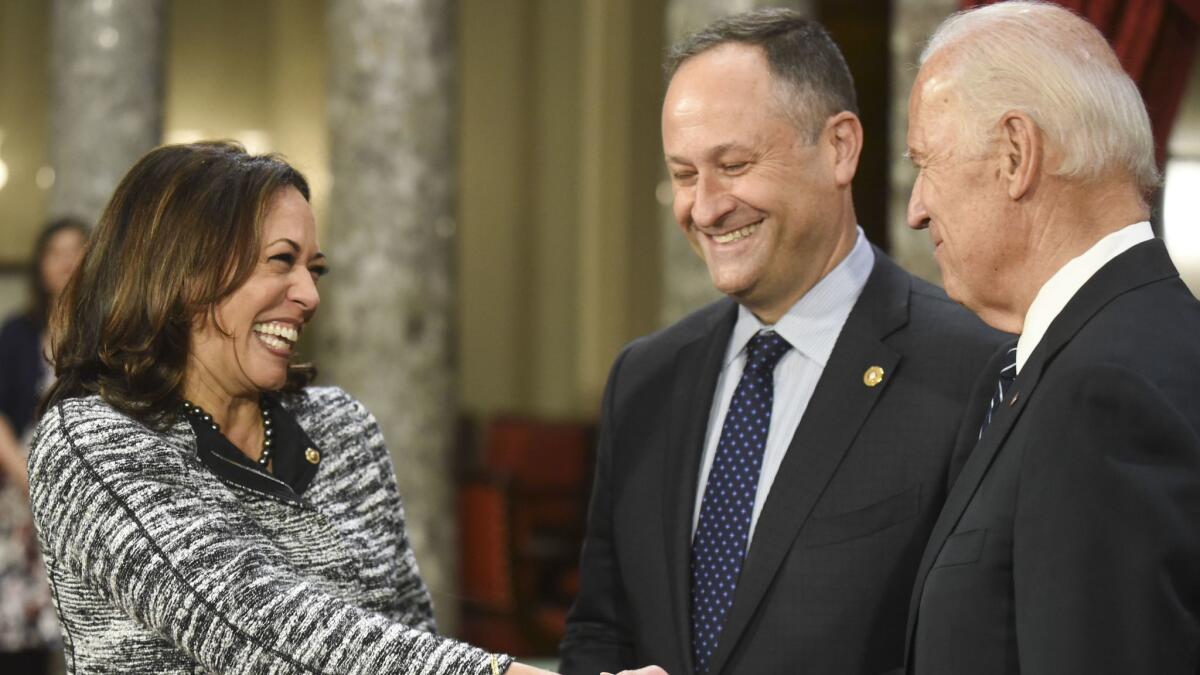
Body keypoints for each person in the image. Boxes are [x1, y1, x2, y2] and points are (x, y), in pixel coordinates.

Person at [559, 9, 1005, 675]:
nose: (705, 207)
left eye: (733, 164)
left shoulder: (973, 368)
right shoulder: (644, 380)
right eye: (684, 175)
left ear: (840, 149)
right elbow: (601, 629)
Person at [29, 141, 556, 675]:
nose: (309, 294)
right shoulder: (91, 440)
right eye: (282, 260)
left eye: (315, 269)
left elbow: (407, 631)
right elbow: (253, 624)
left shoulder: (341, 428)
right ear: (182, 271)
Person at [900, 3, 1200, 673]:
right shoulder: (1065, 362)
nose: (916, 207)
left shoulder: (1103, 393)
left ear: (1015, 153)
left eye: (927, 161)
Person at [0, 217, 87, 673]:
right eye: (56, 251)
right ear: (40, 263)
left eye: (77, 249)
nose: (68, 261)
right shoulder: (16, 332)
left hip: (84, 499)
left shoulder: (106, 335)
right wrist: (27, 479)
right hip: (20, 496)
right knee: (20, 642)